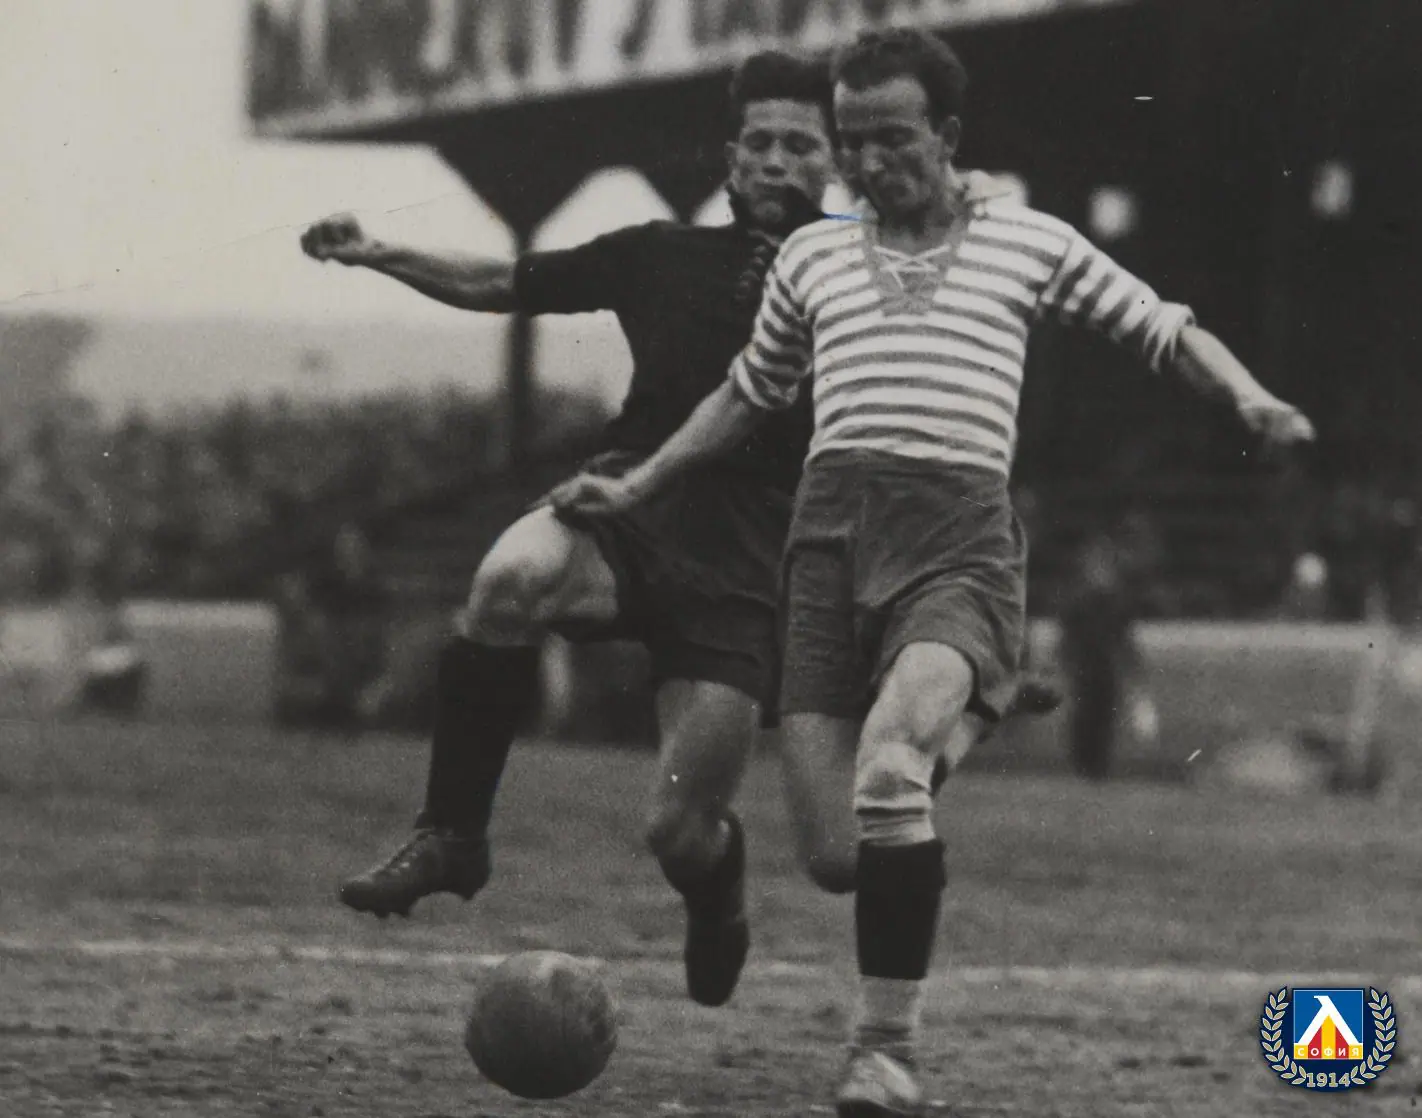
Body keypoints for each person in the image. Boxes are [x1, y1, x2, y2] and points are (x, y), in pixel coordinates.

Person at [554, 29, 1315, 1115]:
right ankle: (979, 707)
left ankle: (884, 1050)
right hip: (826, 548)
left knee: (889, 771)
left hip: (955, 543)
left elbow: (1160, 327)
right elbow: (746, 393)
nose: (868, 163)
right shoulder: (813, 261)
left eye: (893, 139)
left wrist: (1248, 396)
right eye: (852, 141)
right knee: (837, 854)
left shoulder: (1029, 242)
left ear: (948, 134)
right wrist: (640, 485)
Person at [301, 51, 838, 1010]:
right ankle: (452, 835)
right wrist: (379, 250)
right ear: (729, 156)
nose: (775, 160)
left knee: (678, 830)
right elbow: (499, 281)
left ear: (835, 161)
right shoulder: (658, 252)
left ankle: (718, 890)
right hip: (626, 501)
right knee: (508, 578)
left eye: (800, 144)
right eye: (758, 141)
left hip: (748, 551)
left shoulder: (862, 279)